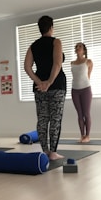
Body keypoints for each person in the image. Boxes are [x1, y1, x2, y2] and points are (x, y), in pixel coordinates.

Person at [24, 15, 66, 160]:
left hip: (39, 88)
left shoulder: (33, 46)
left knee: (42, 119)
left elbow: (27, 67)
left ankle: (45, 151)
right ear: (51, 28)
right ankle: (53, 152)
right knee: (55, 119)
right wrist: (49, 82)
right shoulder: (56, 42)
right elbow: (57, 64)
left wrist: (39, 81)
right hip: (56, 86)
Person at [71, 42, 93, 143]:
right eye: (76, 47)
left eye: (80, 46)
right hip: (75, 90)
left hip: (85, 89)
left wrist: (85, 86)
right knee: (79, 114)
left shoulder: (88, 62)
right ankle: (82, 135)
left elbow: (88, 76)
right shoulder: (72, 63)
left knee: (86, 113)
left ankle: (87, 136)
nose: (77, 48)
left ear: (84, 50)